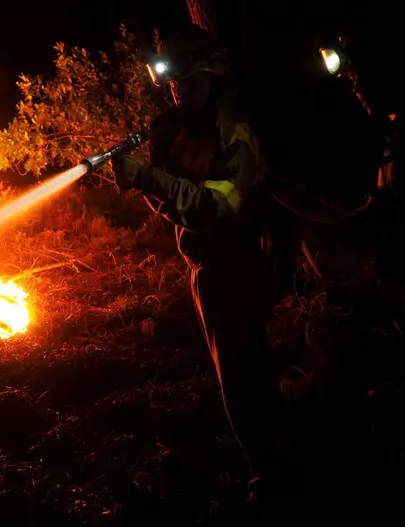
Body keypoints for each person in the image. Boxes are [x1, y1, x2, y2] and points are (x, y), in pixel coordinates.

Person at [110, 23, 285, 482]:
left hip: (238, 262)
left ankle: (273, 474)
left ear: (214, 76)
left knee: (243, 373)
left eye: (188, 84)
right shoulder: (183, 128)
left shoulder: (235, 130)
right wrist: (142, 176)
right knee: (240, 369)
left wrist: (147, 179)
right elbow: (177, 207)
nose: (178, 94)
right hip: (206, 265)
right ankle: (272, 459)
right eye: (173, 85)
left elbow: (215, 207)